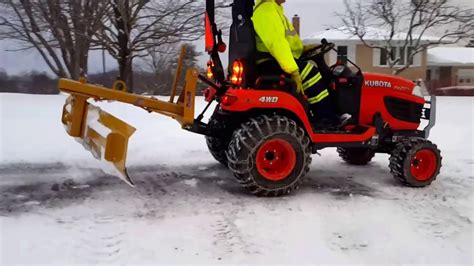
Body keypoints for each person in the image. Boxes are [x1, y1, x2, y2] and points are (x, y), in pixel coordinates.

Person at [252, 0, 349, 127]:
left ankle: (323, 114)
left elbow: (287, 40)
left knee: (314, 71)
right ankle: (326, 117)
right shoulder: (266, 10)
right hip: (270, 62)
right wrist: (292, 69)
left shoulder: (275, 9)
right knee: (311, 73)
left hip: (275, 59)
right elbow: (276, 44)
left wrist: (303, 49)